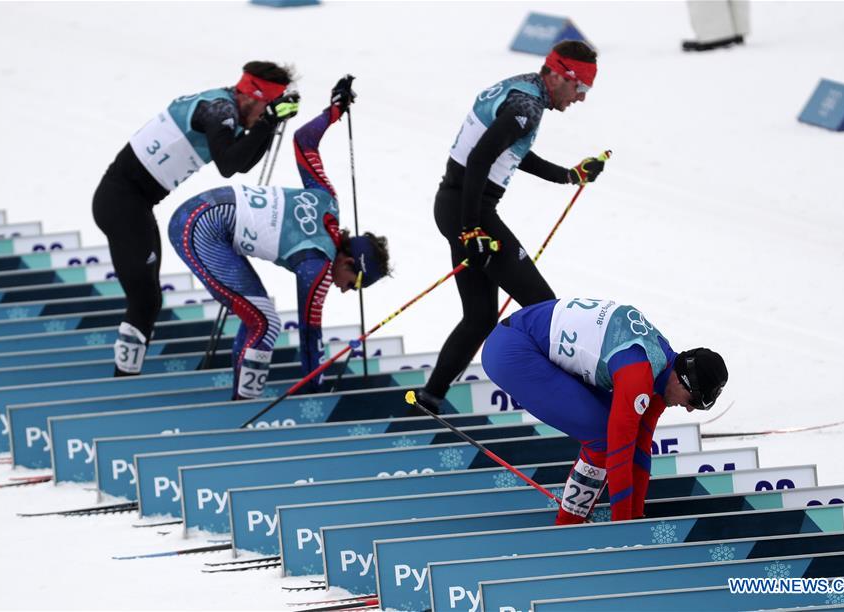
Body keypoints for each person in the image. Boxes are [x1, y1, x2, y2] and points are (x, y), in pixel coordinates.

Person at [415, 40, 608, 414]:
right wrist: (472, 229)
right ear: (559, 75)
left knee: (480, 317)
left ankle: (429, 399)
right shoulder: (527, 106)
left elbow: (511, 150)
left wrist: (569, 175)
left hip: (457, 207)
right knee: (547, 311)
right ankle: (580, 413)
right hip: (468, 212)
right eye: (580, 87)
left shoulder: (522, 90)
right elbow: (480, 159)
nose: (581, 98)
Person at [167, 77, 390, 400]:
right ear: (350, 261)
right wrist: (314, 390)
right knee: (265, 322)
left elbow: (303, 141)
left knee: (258, 313)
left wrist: (335, 110)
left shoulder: (327, 200)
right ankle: (244, 404)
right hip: (202, 226)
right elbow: (310, 331)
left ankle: (240, 397)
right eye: (354, 283)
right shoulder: (317, 264)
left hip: (201, 216)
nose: (345, 289)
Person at [93, 61, 300, 376]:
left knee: (148, 298)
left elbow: (243, 161)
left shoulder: (227, 107)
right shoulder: (219, 110)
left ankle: (125, 373)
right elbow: (229, 164)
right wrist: (265, 123)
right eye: (266, 107)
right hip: (121, 203)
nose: (262, 115)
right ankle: (122, 378)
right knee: (145, 299)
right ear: (254, 97)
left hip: (133, 204)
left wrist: (268, 124)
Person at [481, 297, 728, 523]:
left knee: (612, 430)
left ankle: (575, 521)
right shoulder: (639, 374)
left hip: (527, 339)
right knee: (602, 437)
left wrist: (637, 514)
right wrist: (623, 529)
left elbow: (640, 446)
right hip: (511, 349)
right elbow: (619, 454)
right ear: (682, 380)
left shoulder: (662, 369)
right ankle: (567, 526)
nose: (689, 410)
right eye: (694, 401)